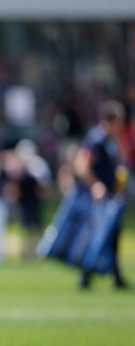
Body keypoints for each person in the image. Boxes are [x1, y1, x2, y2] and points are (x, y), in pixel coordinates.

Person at [73, 100, 129, 289]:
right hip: (97, 198)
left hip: (110, 196)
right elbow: (81, 165)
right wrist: (95, 185)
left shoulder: (109, 140)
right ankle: (86, 276)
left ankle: (115, 277)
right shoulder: (95, 138)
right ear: (111, 120)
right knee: (97, 236)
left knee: (112, 236)